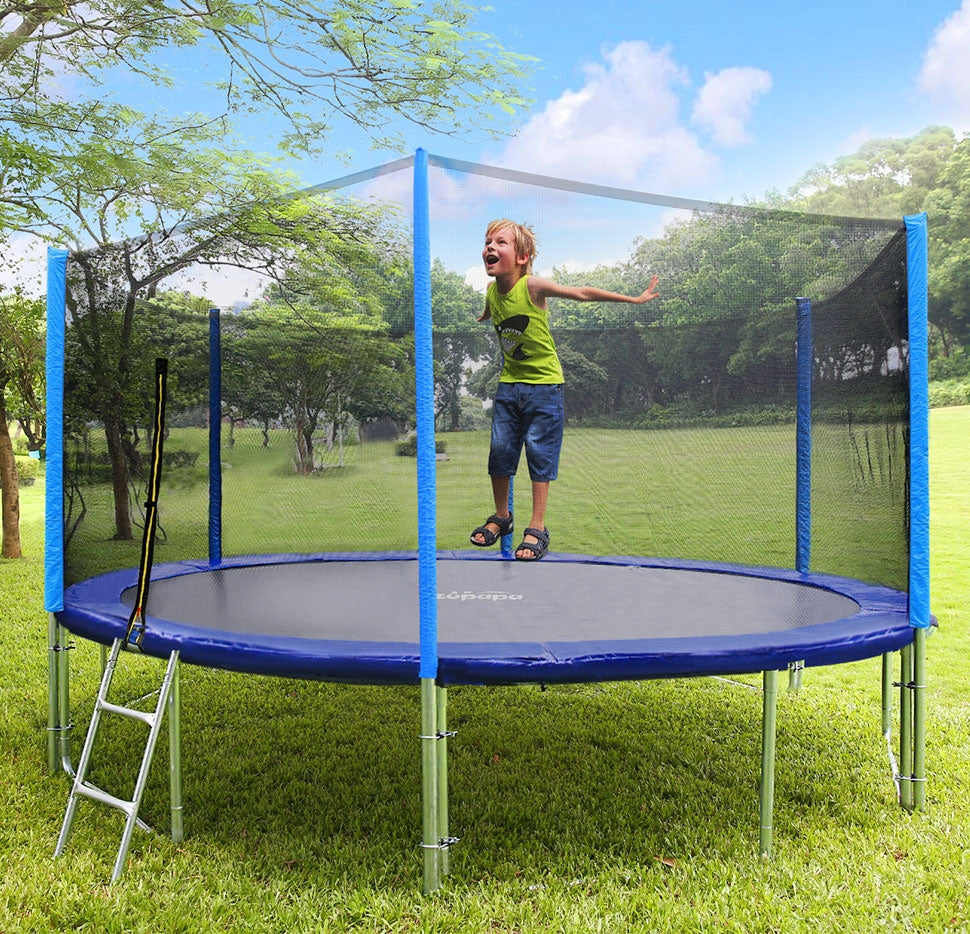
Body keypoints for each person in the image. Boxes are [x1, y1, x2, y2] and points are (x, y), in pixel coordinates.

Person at [469, 218, 660, 560]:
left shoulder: (532, 287)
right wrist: (486, 315)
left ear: (523, 258)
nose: (490, 248)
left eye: (501, 243)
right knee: (500, 453)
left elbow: (581, 293)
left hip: (544, 387)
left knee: (539, 455)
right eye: (488, 242)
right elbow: (492, 307)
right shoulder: (490, 292)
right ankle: (502, 516)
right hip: (510, 386)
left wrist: (634, 299)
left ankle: (537, 527)